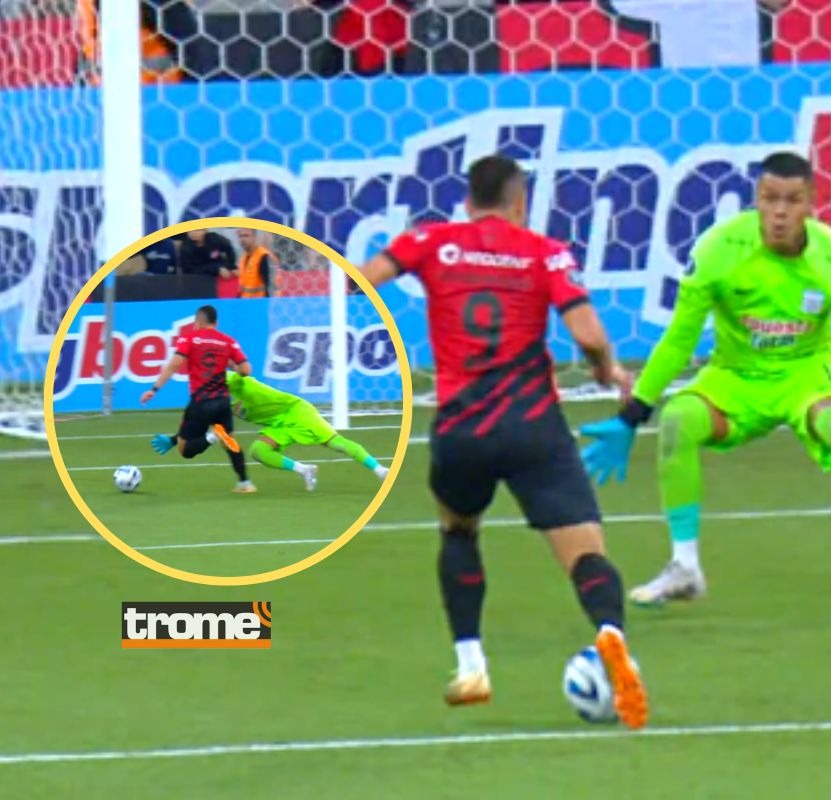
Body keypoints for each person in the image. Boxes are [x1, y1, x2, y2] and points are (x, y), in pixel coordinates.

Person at [580, 152, 831, 611]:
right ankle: (684, 566)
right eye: (770, 199)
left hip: (808, 372)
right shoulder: (718, 249)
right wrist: (632, 415)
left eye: (792, 200)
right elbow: (679, 338)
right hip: (736, 375)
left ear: (811, 203)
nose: (780, 212)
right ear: (757, 199)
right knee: (677, 421)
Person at [359, 154, 649, 729]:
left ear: (468, 202)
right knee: (586, 554)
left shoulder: (431, 241)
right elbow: (588, 332)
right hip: (534, 425)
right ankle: (610, 635)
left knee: (458, 531)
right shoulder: (543, 251)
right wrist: (606, 370)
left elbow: (363, 278)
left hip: (462, 427)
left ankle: (472, 667)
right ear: (520, 203)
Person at [141, 305, 256, 494]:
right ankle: (245, 483)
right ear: (216, 322)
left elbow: (174, 364)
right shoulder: (228, 341)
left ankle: (213, 436)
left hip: (201, 402)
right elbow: (246, 370)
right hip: (222, 401)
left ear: (197, 322)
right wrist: (231, 365)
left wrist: (154, 389)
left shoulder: (189, 338)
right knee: (230, 441)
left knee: (185, 450)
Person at [224, 371, 390, 491]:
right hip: (278, 423)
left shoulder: (230, 381)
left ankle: (380, 470)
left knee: (335, 443)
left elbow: (240, 374)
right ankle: (304, 470)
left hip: (296, 411)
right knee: (259, 450)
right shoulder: (214, 401)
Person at [234, 229, 275, 298]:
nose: (243, 239)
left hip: (259, 302)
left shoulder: (263, 256)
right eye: (240, 236)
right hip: (246, 302)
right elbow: (243, 288)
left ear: (254, 237)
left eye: (246, 236)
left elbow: (270, 286)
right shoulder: (243, 259)